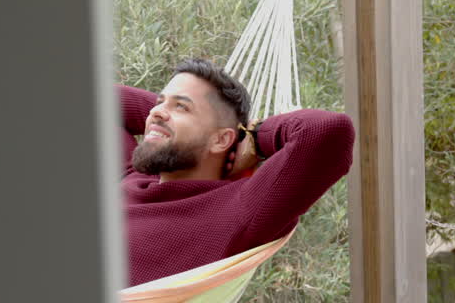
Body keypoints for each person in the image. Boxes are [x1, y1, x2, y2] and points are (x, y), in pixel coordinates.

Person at [119, 58, 355, 286]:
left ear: (222, 140)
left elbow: (328, 132)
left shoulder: (235, 210)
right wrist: (169, 122)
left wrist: (253, 135)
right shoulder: (130, 177)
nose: (155, 112)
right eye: (159, 102)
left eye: (182, 106)